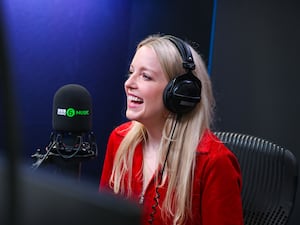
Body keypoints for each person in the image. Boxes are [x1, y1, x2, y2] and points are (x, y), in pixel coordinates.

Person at [99, 34, 244, 225]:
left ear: (180, 93)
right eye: (131, 72)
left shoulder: (214, 162)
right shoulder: (120, 140)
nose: (129, 84)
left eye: (145, 76)